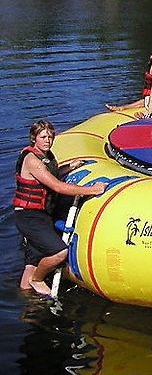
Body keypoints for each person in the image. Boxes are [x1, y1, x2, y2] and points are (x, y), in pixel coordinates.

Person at [12, 119, 108, 298]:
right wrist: (92, 190)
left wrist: (69, 166)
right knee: (59, 252)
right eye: (43, 137)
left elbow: (50, 174)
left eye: (50, 136)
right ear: (34, 138)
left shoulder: (46, 157)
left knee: (31, 263)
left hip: (41, 215)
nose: (47, 140)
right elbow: (57, 187)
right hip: (29, 216)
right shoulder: (32, 160)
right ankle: (38, 280)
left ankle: (25, 303)